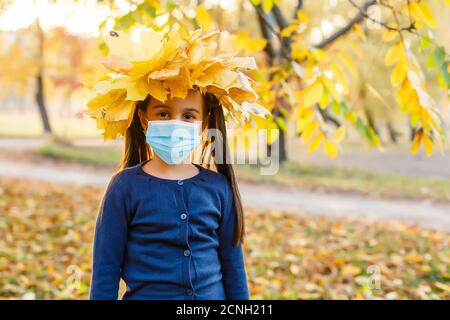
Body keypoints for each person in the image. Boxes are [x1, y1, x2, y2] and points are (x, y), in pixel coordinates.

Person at [85, 25, 270, 300]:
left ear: (204, 122)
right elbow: (105, 272)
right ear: (144, 118)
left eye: (188, 116)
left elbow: (234, 269)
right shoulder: (124, 187)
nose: (175, 123)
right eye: (163, 112)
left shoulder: (218, 188)